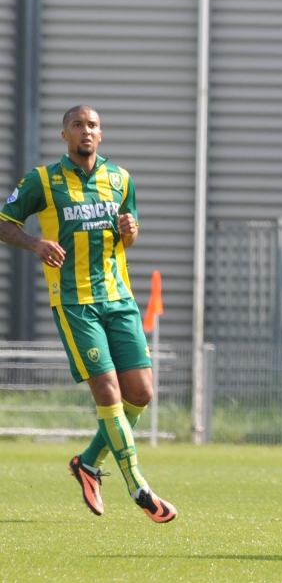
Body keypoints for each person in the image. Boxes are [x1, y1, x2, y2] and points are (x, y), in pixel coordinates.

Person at [0, 106, 177, 523]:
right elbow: (4, 222)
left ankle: (87, 463)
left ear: (101, 134)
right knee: (108, 392)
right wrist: (35, 243)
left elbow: (126, 237)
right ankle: (138, 487)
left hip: (120, 299)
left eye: (93, 125)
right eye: (78, 124)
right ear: (65, 134)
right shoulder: (42, 180)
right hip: (76, 303)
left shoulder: (120, 179)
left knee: (142, 393)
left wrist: (131, 232)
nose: (86, 131)